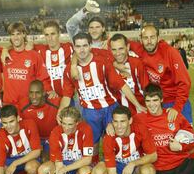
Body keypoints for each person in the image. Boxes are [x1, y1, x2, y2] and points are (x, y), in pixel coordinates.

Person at [59, 32, 146, 163]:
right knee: (91, 143)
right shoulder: (69, 71)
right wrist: (60, 111)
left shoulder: (102, 63)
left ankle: (117, 170)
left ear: (90, 46)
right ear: (74, 48)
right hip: (89, 112)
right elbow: (67, 94)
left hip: (110, 108)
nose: (81, 50)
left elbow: (121, 85)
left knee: (115, 140)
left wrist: (138, 105)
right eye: (78, 46)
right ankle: (92, 169)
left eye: (84, 46)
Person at [92, 105, 157, 174]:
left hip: (135, 166)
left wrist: (133, 163)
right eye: (116, 122)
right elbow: (112, 172)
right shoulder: (109, 138)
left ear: (130, 121)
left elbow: (153, 156)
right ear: (112, 122)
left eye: (122, 121)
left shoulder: (140, 129)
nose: (119, 126)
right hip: (117, 166)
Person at [129, 25, 192, 124]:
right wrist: (116, 63)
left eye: (152, 37)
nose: (149, 41)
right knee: (159, 138)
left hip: (176, 102)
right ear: (140, 39)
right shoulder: (140, 49)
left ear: (158, 38)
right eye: (145, 38)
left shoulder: (170, 53)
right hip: (156, 104)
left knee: (185, 137)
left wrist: (176, 108)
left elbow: (185, 83)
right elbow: (118, 41)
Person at [37, 106, 94, 174]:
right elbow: (58, 162)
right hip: (62, 164)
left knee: (86, 172)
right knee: (42, 170)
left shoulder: (86, 129)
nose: (66, 128)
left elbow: (87, 159)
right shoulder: (55, 132)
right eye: (64, 123)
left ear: (77, 122)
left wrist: (65, 170)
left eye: (70, 124)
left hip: (78, 164)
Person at [2, 22, 53, 106]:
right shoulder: (4, 55)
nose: (15, 37)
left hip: (28, 104)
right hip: (9, 104)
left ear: (24, 34)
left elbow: (43, 78)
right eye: (13, 34)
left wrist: (49, 90)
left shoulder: (34, 55)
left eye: (18, 34)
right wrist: (5, 49)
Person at [18, 80, 60, 160]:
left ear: (44, 93)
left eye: (37, 93)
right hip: (34, 139)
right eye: (31, 92)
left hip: (51, 138)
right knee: (33, 163)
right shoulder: (22, 104)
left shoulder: (55, 102)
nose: (34, 96)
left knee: (47, 159)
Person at [109, 33, 148, 115]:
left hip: (140, 110)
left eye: (121, 48)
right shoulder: (108, 65)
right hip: (119, 113)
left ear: (127, 47)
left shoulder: (137, 64)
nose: (117, 53)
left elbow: (146, 89)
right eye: (114, 49)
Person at [33, 20, 73, 97]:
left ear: (59, 34)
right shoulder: (40, 51)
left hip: (68, 97)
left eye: (53, 34)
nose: (50, 38)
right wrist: (5, 50)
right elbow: (19, 45)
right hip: (49, 98)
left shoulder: (69, 48)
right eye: (47, 35)